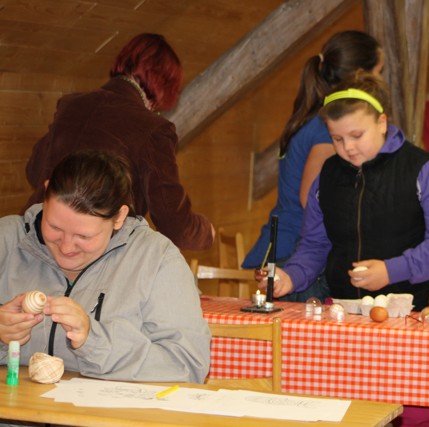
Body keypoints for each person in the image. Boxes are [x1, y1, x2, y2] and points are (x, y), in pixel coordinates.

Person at [260, 72, 429, 427]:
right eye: (337, 139)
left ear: (382, 123)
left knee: (412, 418)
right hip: (344, 320)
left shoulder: (425, 170)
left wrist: (392, 270)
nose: (348, 148)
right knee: (345, 416)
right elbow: (314, 245)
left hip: (411, 320)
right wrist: (290, 276)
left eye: (357, 135)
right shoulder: (328, 176)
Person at [0, 150, 211, 384]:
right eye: (55, 228)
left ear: (119, 217)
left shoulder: (157, 259)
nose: (66, 247)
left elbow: (188, 365)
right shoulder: (6, 239)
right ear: (46, 192)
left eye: (84, 236)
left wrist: (93, 340)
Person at [23, 33, 214, 251]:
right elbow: (176, 226)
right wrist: (206, 232)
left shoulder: (71, 104)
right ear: (164, 85)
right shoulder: (154, 129)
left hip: (36, 237)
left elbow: (33, 171)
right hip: (90, 252)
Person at [242, 30, 384, 302]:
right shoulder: (326, 129)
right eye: (378, 71)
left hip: (288, 245)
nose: (380, 80)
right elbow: (312, 197)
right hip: (298, 253)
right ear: (360, 76)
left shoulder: (314, 121)